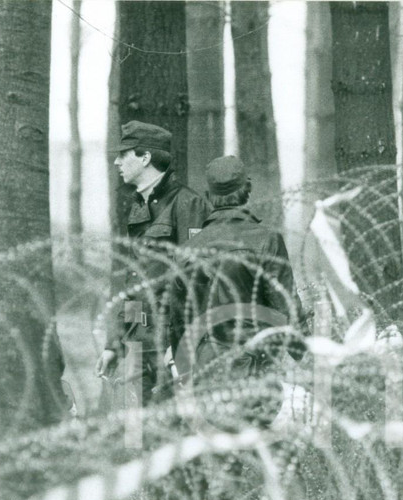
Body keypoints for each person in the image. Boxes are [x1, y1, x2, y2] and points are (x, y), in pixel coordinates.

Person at [95, 121, 209, 405]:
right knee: (139, 434)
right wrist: (117, 343)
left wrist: (184, 343)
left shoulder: (187, 204)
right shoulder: (140, 207)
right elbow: (136, 284)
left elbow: (196, 279)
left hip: (173, 344)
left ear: (145, 158)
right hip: (142, 341)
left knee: (173, 432)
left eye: (124, 154)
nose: (116, 161)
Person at [169, 155, 305, 387]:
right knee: (254, 423)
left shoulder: (188, 249)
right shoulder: (266, 240)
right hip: (256, 369)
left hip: (206, 371)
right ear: (248, 188)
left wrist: (185, 371)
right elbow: (285, 307)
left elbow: (178, 319)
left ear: (208, 194)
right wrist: (308, 359)